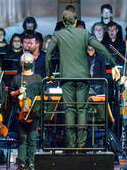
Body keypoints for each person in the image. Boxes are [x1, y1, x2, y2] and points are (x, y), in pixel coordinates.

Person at [45, 8, 113, 150]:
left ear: (63, 21)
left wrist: (49, 74)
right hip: (83, 78)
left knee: (70, 109)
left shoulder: (58, 34)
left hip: (67, 78)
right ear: (75, 21)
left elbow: (48, 55)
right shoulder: (84, 33)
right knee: (82, 109)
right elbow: (101, 49)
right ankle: (81, 146)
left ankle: (71, 145)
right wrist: (112, 64)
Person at [10, 52, 42, 170]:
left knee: (32, 138)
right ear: (21, 63)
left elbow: (41, 94)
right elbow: (11, 94)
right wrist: (18, 92)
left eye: (29, 61)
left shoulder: (38, 77)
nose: (27, 63)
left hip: (33, 112)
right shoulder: (17, 78)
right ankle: (22, 162)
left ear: (32, 62)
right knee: (22, 138)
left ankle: (32, 162)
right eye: (25, 61)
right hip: (20, 112)